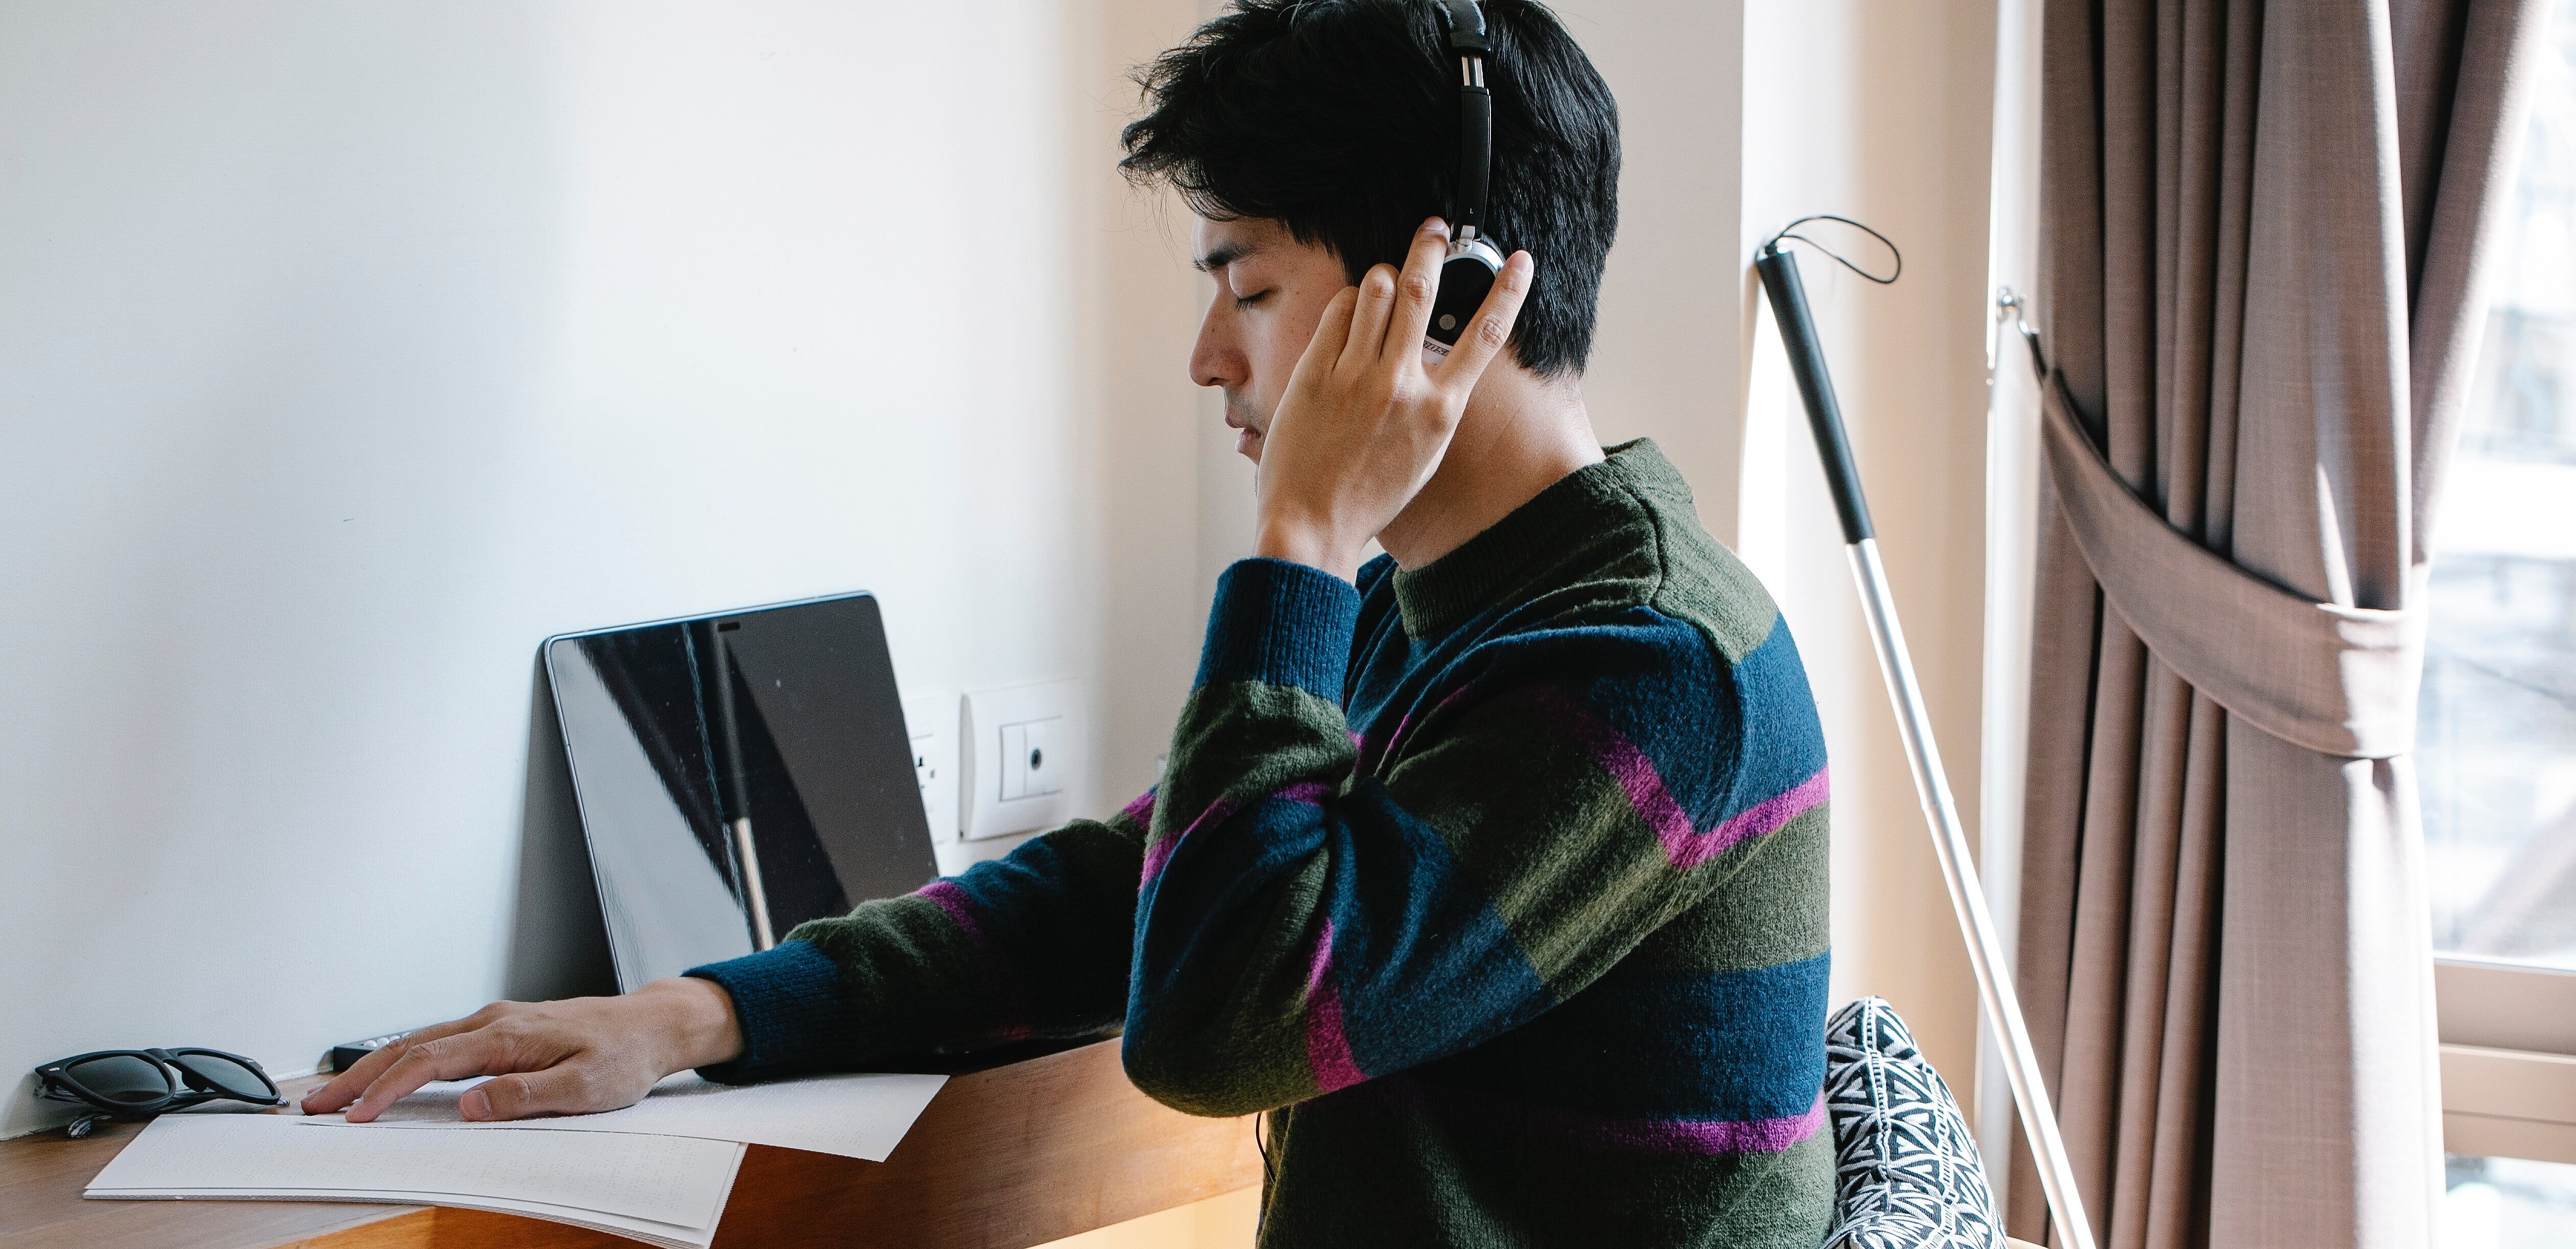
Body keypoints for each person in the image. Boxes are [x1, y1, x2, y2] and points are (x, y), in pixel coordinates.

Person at [306, 2, 1833, 1243]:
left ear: (1441, 303)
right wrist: (691, 1013)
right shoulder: (1451, 609)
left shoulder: (1648, 664)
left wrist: (1299, 546)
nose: (1202, 359)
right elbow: (1125, 885)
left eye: (1243, 286)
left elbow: (1222, 1020)